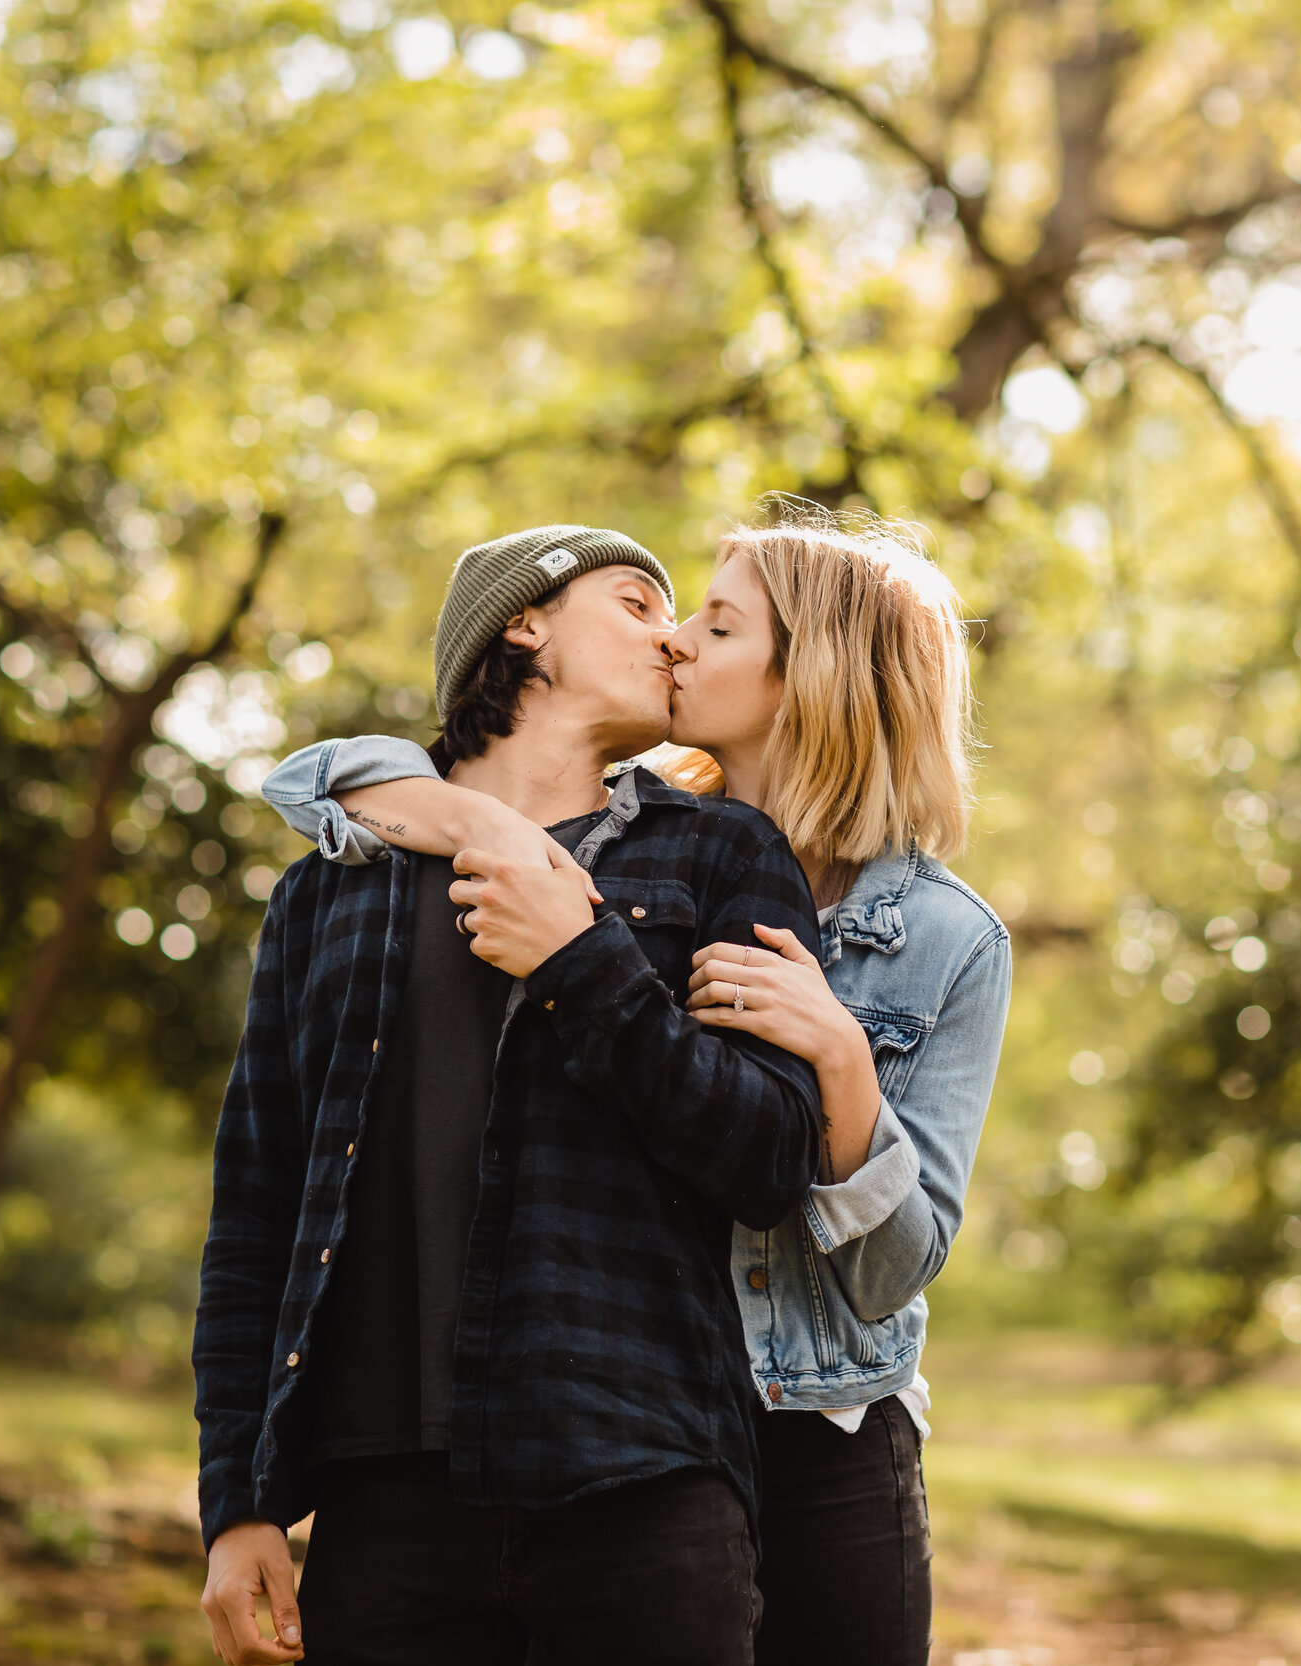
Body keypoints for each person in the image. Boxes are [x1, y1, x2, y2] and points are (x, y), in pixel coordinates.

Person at [264, 508, 1012, 1666]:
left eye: (713, 626)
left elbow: (892, 1270)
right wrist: (470, 817)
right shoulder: (623, 841)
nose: (675, 644)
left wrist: (847, 1070)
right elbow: (327, 782)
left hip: (813, 1423)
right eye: (663, 617)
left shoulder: (939, 937)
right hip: (614, 1413)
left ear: (809, 668)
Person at [193, 525, 828, 1666]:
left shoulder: (722, 856)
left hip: (644, 1487)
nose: (676, 642)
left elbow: (769, 1159)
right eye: (639, 604)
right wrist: (238, 1502)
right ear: (522, 622)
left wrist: (582, 958)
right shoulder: (329, 894)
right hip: (381, 1504)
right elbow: (256, 1203)